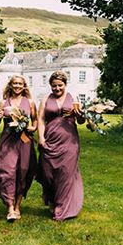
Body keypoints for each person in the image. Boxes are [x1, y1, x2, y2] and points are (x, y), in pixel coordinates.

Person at [36, 70, 85, 221]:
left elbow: (81, 121)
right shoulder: (45, 99)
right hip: (50, 139)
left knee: (65, 174)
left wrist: (78, 114)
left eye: (60, 85)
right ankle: (52, 199)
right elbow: (41, 119)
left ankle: (62, 208)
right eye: (54, 86)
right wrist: (41, 138)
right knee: (48, 173)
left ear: (65, 84)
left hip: (69, 141)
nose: (57, 89)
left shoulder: (74, 98)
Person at [0, 75, 37, 221]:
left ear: (24, 86)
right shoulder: (3, 103)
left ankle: (18, 206)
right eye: (15, 83)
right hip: (7, 142)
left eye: (20, 84)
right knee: (7, 171)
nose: (17, 86)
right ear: (10, 85)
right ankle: (10, 208)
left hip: (24, 142)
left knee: (23, 172)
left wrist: (32, 127)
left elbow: (35, 121)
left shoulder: (29, 102)